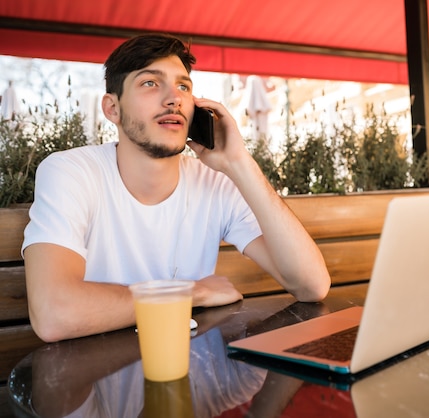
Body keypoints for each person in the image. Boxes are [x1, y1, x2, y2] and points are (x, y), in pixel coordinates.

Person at [22, 33, 331, 343]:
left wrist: (240, 163)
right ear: (112, 108)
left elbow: (311, 286)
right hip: (93, 374)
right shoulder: (71, 172)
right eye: (150, 83)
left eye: (183, 86)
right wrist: (190, 292)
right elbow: (55, 314)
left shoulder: (215, 182)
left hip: (187, 371)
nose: (174, 98)